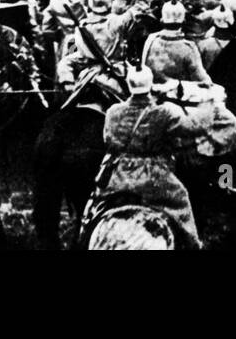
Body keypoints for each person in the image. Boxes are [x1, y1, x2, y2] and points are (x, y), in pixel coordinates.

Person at [89, 65, 213, 250]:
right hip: (154, 177)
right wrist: (209, 109)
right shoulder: (163, 113)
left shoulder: (113, 111)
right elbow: (192, 128)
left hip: (118, 175)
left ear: (129, 85)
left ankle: (83, 236)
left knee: (91, 209)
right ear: (150, 84)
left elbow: (108, 138)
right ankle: (193, 244)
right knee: (182, 203)